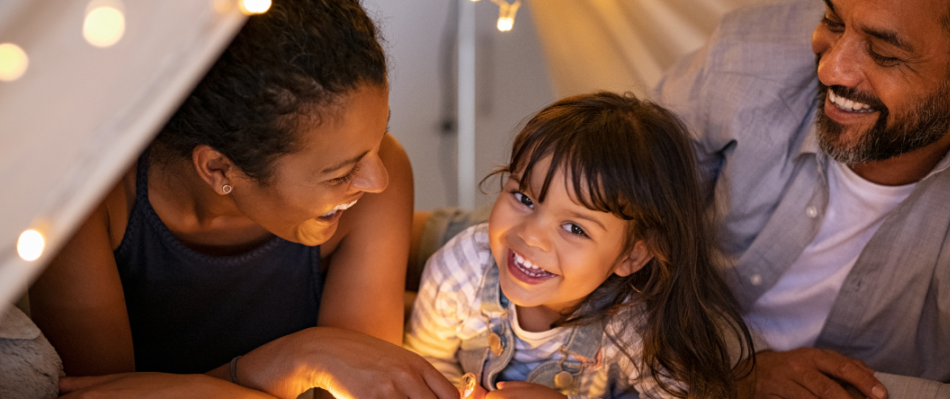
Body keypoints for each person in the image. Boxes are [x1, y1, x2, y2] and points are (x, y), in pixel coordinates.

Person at [28, 0, 456, 397]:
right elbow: (94, 394)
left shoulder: (379, 185)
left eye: (379, 138)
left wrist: (200, 388)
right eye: (341, 172)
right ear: (218, 169)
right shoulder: (83, 197)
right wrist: (292, 360)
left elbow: (362, 386)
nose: (376, 179)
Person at [655, 0, 950, 397]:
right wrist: (738, 365)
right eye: (832, 22)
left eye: (884, 53)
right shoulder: (748, 51)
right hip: (665, 363)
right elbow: (616, 217)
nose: (829, 68)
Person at [405, 92, 755, 399]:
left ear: (632, 254)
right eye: (524, 198)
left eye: (574, 227)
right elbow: (424, 368)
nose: (531, 235)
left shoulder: (633, 320)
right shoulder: (461, 269)